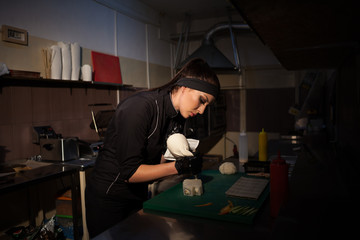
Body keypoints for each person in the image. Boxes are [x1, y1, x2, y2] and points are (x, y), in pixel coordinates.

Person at [85, 58, 220, 238]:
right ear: (185, 87)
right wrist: (178, 167)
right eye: (202, 100)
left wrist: (183, 158)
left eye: (207, 105)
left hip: (137, 196)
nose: (202, 110)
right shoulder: (141, 108)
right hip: (109, 199)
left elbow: (158, 159)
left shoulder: (178, 116)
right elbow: (130, 172)